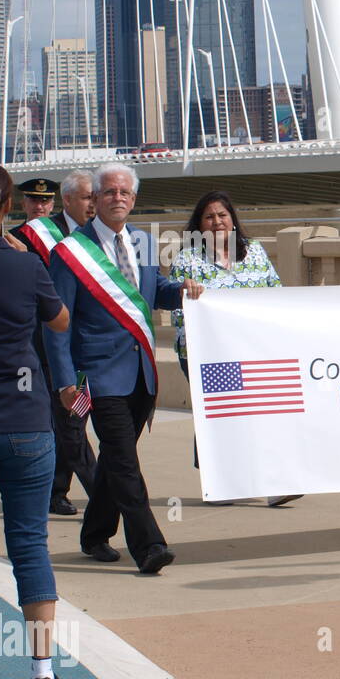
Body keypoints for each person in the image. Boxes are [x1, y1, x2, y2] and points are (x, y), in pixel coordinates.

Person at [43, 163, 203, 574]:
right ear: (94, 200)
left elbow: (151, 293)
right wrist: (64, 382)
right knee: (124, 460)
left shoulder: (145, 244)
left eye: (124, 192)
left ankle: (94, 534)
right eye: (109, 191)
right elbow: (58, 324)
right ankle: (149, 545)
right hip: (97, 375)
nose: (117, 198)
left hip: (141, 371)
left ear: (133, 200)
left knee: (118, 459)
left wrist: (183, 291)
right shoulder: (69, 252)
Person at [0, 159, 72, 679]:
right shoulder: (26, 265)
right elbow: (58, 321)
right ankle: (41, 673)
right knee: (30, 546)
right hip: (24, 421)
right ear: (7, 206)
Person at [170, 190, 301, 507]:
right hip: (207, 355)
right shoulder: (187, 260)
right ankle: (221, 483)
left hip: (252, 352)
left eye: (222, 215)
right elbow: (177, 311)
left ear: (233, 220)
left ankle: (276, 483)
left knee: (263, 415)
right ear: (199, 224)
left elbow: (275, 292)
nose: (217, 222)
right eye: (209, 217)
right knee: (221, 419)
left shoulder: (255, 252)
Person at [8, 170, 98, 516]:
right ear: (23, 203)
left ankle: (57, 489)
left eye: (45, 200)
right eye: (34, 200)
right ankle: (101, 490)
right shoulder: (17, 238)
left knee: (68, 420)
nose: (40, 206)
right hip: (40, 342)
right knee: (66, 419)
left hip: (80, 341)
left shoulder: (82, 236)